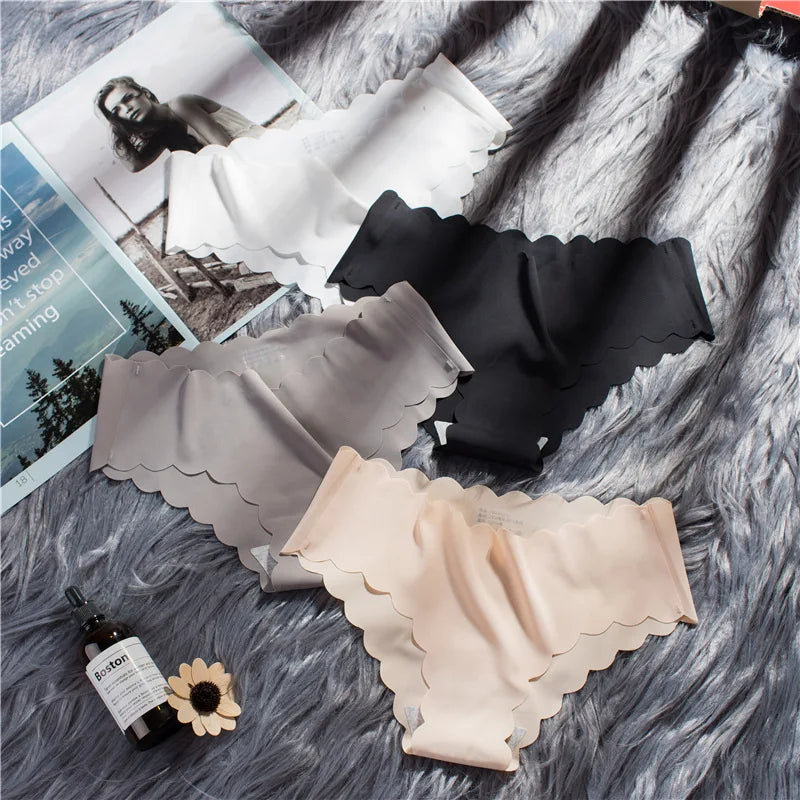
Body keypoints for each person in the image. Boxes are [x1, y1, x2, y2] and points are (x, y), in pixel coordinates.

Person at [95, 76, 264, 172]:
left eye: (128, 98)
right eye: (117, 110)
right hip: (235, 165)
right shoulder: (163, 133)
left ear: (145, 93)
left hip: (254, 151)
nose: (127, 109)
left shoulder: (179, 104)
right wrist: (115, 124)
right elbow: (134, 165)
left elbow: (226, 148)